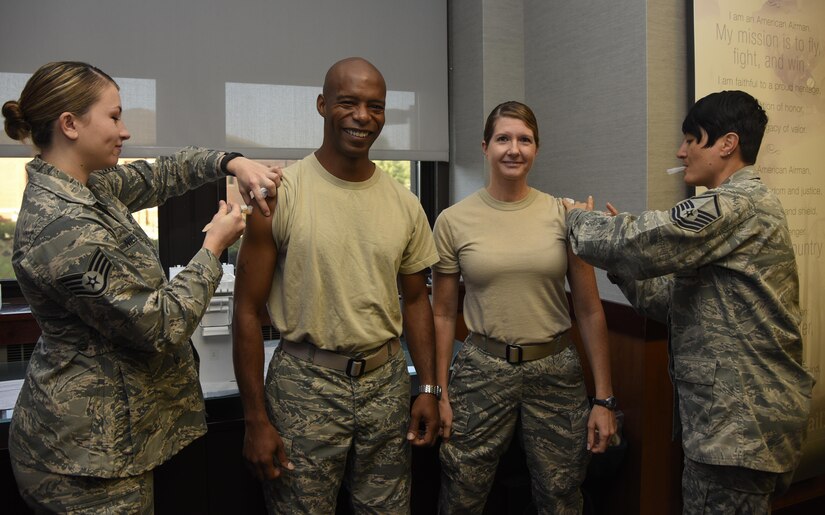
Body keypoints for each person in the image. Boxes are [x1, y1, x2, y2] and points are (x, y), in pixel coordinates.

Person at [2, 61, 280, 513]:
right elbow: (159, 324)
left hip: (113, 444)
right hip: (84, 462)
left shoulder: (90, 185)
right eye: (114, 117)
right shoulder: (62, 226)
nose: (125, 130)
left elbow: (164, 174)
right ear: (69, 124)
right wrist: (213, 247)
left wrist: (233, 162)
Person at [563, 90, 814, 513]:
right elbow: (671, 302)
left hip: (740, 429)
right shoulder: (733, 214)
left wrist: (576, 219)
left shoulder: (735, 205)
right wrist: (621, 265)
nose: (680, 153)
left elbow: (641, 243)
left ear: (726, 144)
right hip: (730, 429)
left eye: (689, 140)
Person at [232, 57, 440, 513]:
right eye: (348, 103)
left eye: (375, 107)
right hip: (304, 387)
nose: (363, 117)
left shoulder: (406, 205)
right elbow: (245, 312)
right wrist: (254, 420)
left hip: (385, 388)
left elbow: (416, 301)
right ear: (323, 105)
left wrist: (427, 388)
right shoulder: (281, 194)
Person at [432, 101, 617, 514]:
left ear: (536, 148)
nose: (513, 149)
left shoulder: (565, 216)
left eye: (524, 139)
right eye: (503, 138)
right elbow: (442, 314)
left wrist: (603, 400)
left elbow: (589, 311)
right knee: (462, 488)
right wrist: (439, 391)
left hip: (555, 371)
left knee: (562, 492)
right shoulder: (453, 220)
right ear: (485, 147)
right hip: (481, 368)